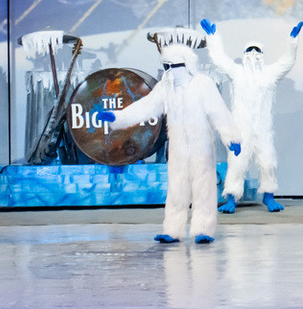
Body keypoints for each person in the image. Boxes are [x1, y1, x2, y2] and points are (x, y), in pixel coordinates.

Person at [96, 41, 242, 245]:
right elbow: (146, 107)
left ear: (185, 65)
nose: (169, 71)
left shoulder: (203, 84)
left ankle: (203, 229)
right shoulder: (165, 87)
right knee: (176, 189)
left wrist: (232, 137)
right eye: (165, 66)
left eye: (172, 66)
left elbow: (218, 112)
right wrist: (117, 118)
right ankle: (172, 230)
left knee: (203, 189)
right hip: (178, 148)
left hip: (201, 147)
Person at [202, 18, 301, 213]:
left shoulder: (269, 74)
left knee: (268, 162)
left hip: (263, 130)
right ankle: (231, 199)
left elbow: (287, 62)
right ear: (244, 54)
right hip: (241, 130)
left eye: (257, 51)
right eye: (250, 50)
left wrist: (292, 42)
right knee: (237, 164)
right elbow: (219, 59)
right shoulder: (237, 73)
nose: (253, 54)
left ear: (262, 55)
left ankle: (269, 197)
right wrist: (212, 38)